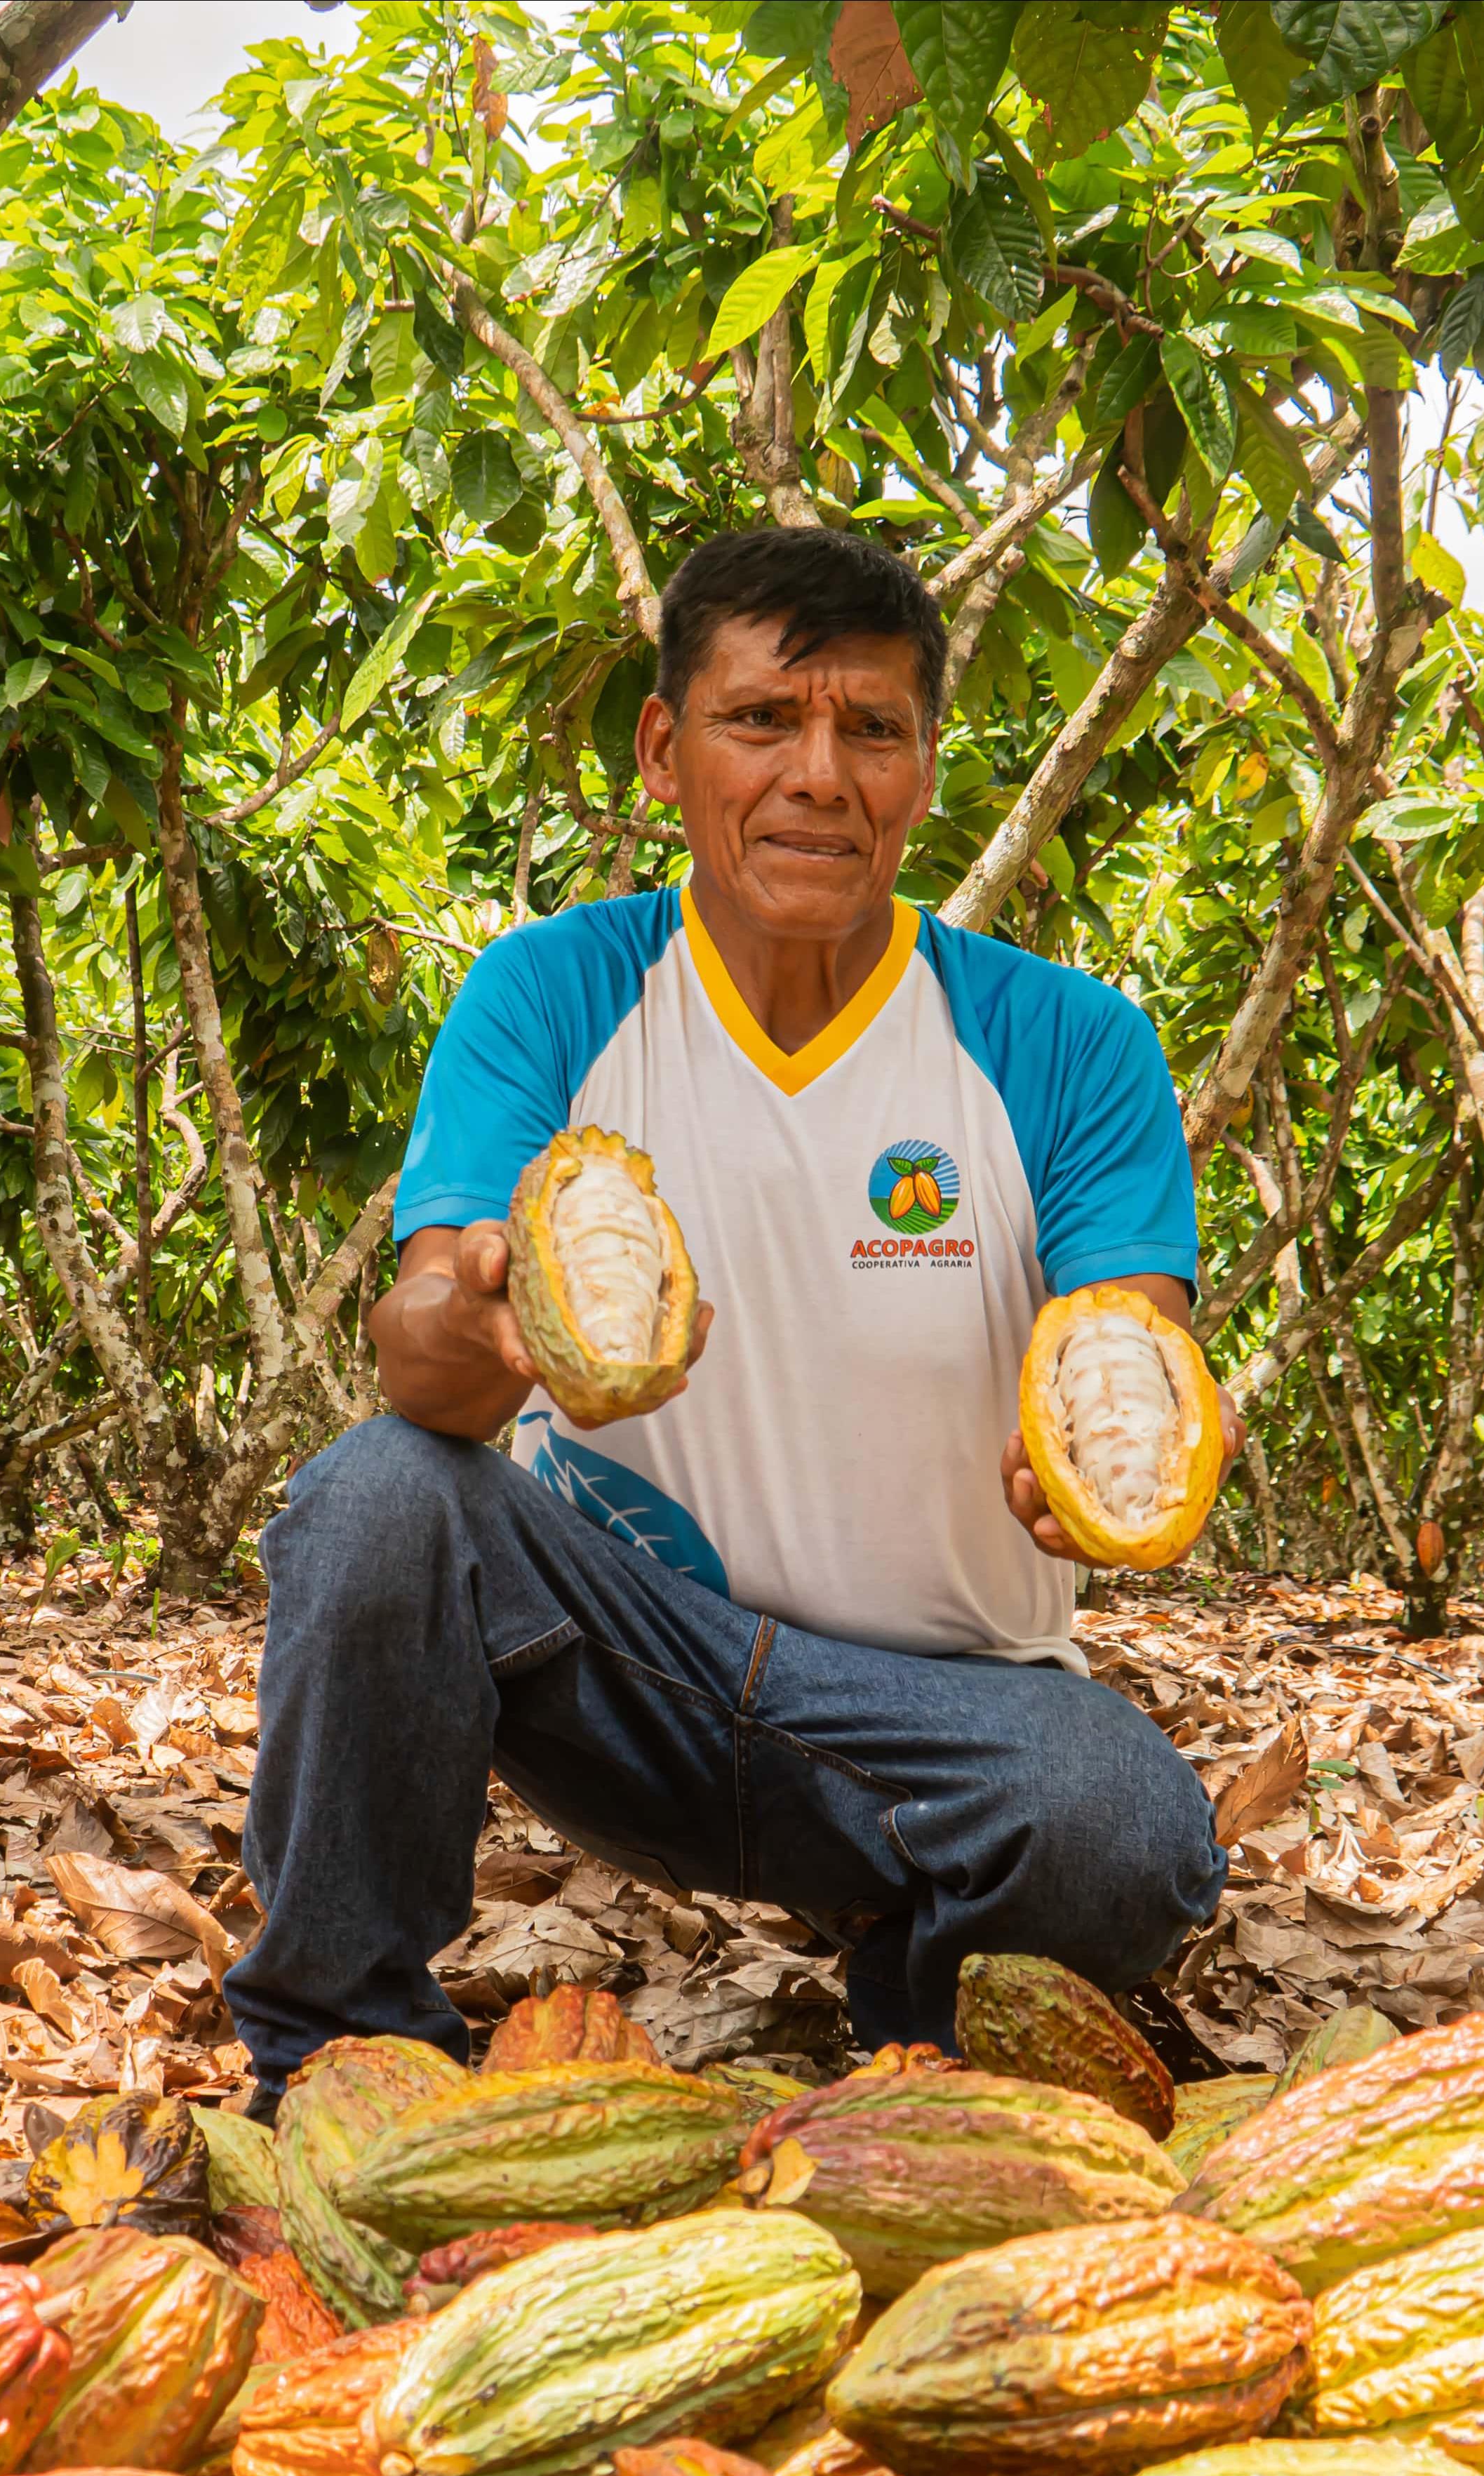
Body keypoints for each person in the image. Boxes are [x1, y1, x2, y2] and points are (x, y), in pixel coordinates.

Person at [229, 524, 1227, 2104]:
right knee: (374, 1497)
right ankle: (339, 2054)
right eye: (764, 719)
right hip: (629, 1664)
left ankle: (914, 2030)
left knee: (1126, 1826)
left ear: (923, 763)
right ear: (664, 748)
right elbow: (420, 1324)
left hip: (940, 1717)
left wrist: (1100, 1480)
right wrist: (487, 1336)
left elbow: (1125, 1344)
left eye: (871, 729)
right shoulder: (554, 992)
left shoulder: (1063, 1042)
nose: (818, 774)